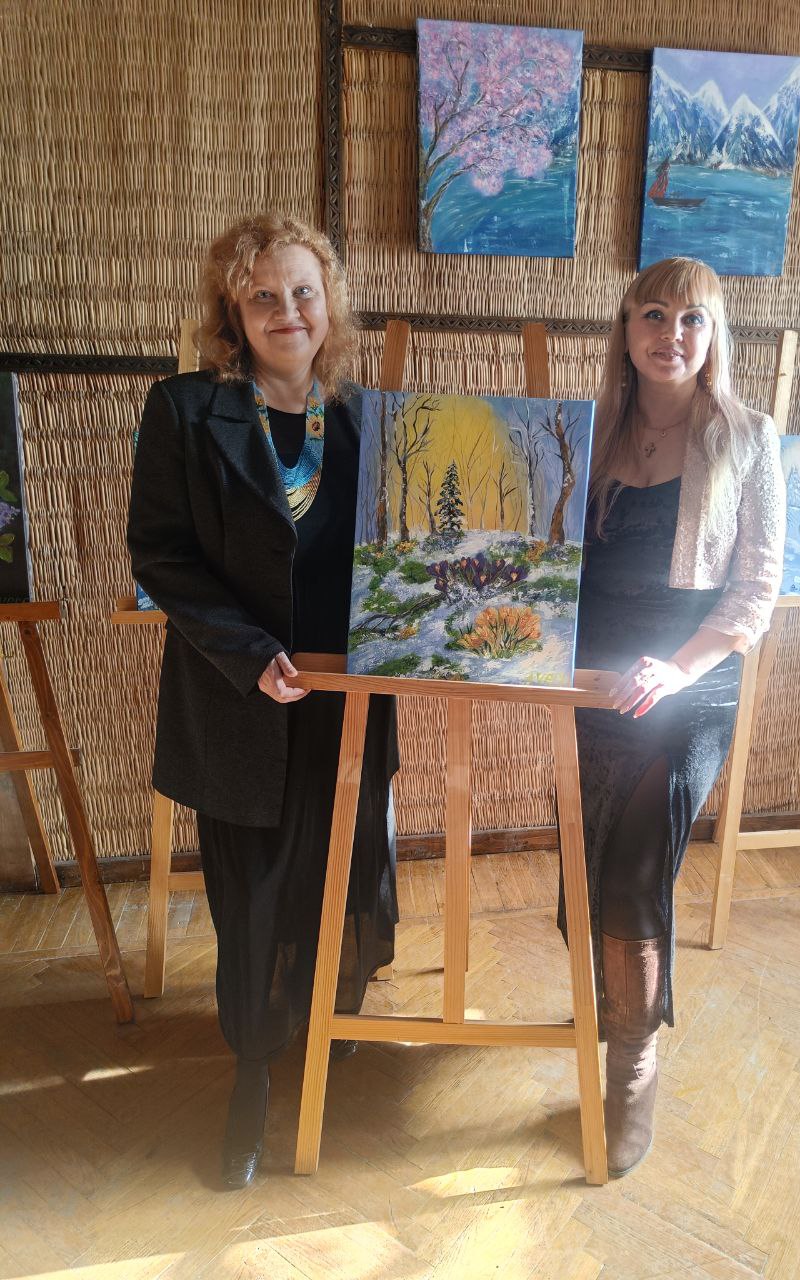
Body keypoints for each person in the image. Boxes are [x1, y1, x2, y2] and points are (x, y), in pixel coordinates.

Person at [127, 214, 398, 1189]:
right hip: (240, 700)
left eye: (304, 292)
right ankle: (252, 1071)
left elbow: (405, 552)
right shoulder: (185, 410)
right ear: (232, 312)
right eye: (264, 296)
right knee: (251, 893)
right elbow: (160, 554)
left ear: (329, 305)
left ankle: (327, 1015)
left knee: (339, 869)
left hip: (349, 700)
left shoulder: (371, 418)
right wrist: (250, 656)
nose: (289, 312)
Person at [568, 256, 785, 1177]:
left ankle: (633, 1066)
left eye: (693, 319)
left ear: (715, 336)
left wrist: (677, 667)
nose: (672, 334)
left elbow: (755, 591)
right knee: (584, 875)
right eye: (653, 315)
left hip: (689, 691)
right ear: (625, 330)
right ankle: (605, 1025)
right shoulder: (587, 432)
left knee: (633, 872)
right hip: (592, 691)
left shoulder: (749, 437)